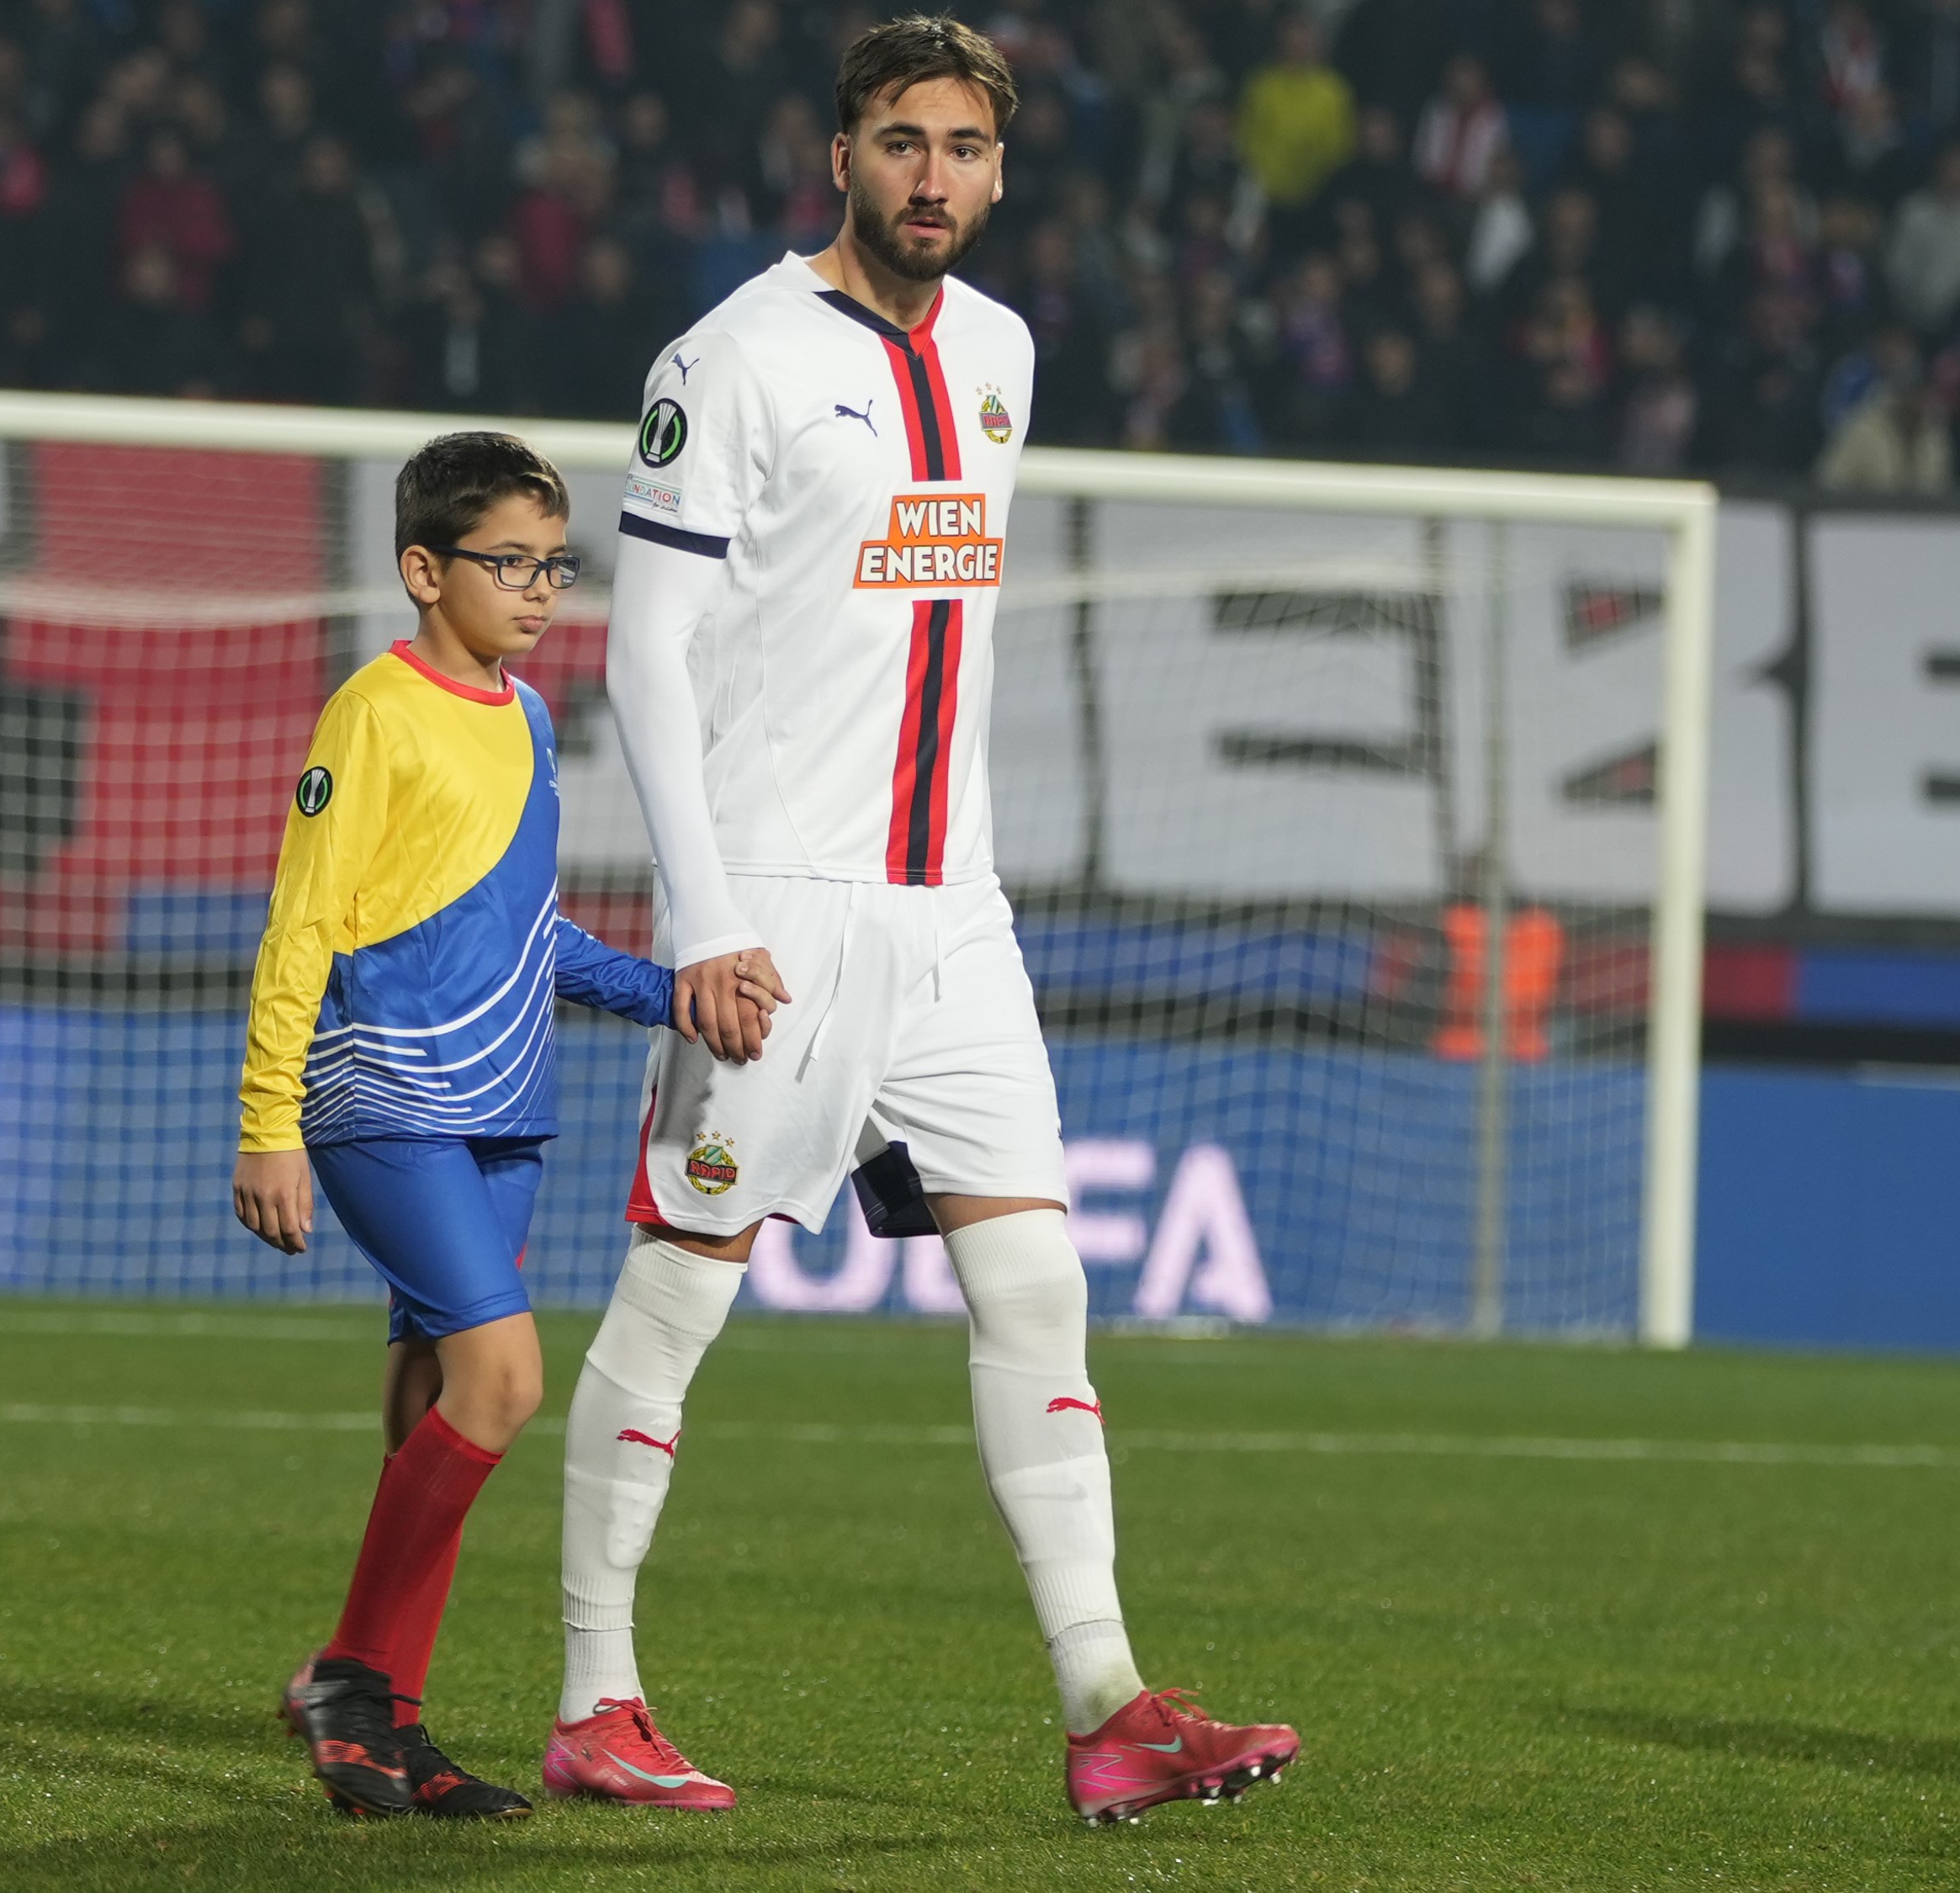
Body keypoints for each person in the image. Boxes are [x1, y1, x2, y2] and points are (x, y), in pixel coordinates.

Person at [554, 13, 1301, 1827]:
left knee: (1037, 1283)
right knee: (680, 1290)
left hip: (953, 911)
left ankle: (1108, 1705)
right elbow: (644, 649)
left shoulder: (1001, 353)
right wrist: (703, 919)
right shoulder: (731, 358)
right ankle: (592, 1698)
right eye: (901, 141)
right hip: (778, 908)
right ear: (841, 156)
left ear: (999, 168)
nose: (931, 176)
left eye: (963, 147)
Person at [232, 432, 754, 1820]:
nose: (537, 589)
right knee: (506, 1381)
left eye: (553, 565)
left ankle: (386, 1716)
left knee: (433, 1403)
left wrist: (667, 992)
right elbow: (302, 922)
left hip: (504, 1116)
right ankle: (358, 1691)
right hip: (385, 1098)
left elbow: (527, 932)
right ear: (423, 569)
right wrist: (267, 1120)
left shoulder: (523, 717)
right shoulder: (374, 713)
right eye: (507, 562)